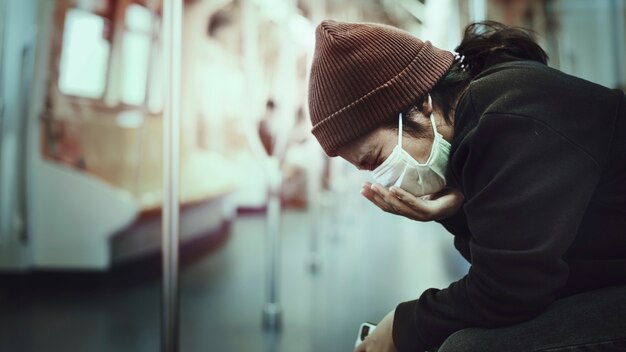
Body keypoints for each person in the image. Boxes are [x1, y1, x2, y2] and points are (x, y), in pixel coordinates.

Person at [307, 20, 626, 352]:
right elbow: (506, 260)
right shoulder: (480, 120)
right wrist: (455, 207)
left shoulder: (509, 115)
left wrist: (402, 326)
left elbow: (509, 290)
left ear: (420, 104)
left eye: (375, 159)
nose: (380, 177)